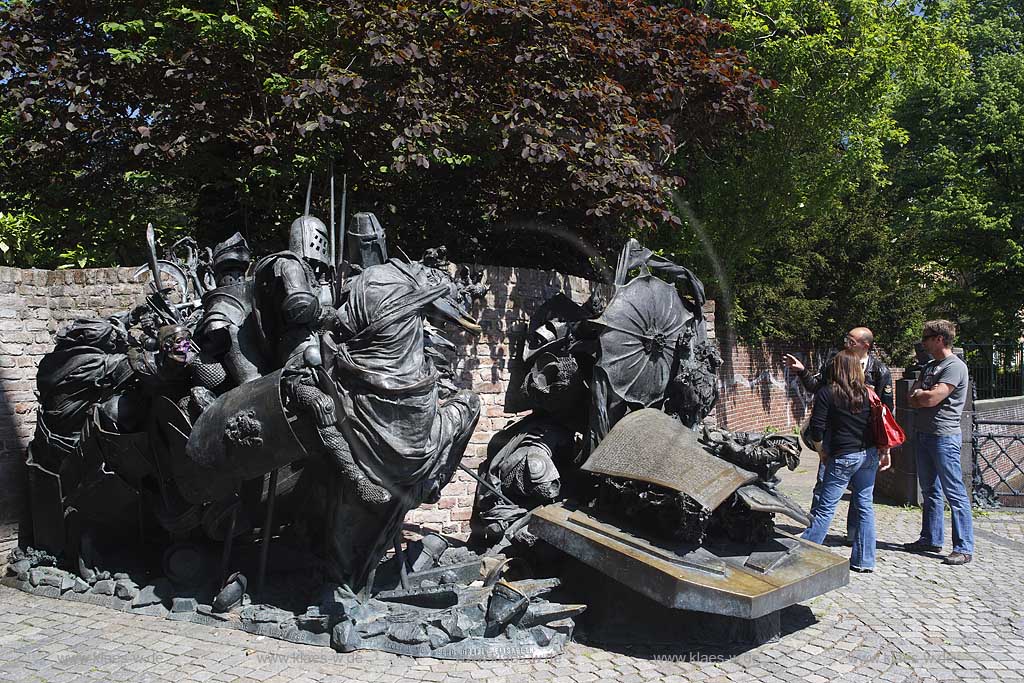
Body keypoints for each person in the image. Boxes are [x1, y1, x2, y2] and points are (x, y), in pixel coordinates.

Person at [783, 327, 894, 541]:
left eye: (851, 341)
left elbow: (886, 413)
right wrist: (803, 371)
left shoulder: (879, 371)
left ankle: (851, 537)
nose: (846, 343)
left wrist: (885, 447)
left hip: (864, 445)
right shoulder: (836, 363)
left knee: (860, 500)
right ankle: (815, 532)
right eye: (846, 339)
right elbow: (817, 388)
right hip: (836, 442)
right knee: (825, 489)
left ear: (865, 345)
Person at [800, 349, 891, 572]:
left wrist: (821, 452)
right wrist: (885, 451)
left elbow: (817, 429)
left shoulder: (827, 393)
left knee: (825, 508)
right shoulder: (869, 394)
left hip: (843, 456)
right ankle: (864, 560)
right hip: (868, 455)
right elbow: (879, 425)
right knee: (865, 506)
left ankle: (804, 556)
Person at [903, 320, 974, 565]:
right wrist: (921, 395)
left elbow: (931, 398)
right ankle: (931, 539)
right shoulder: (931, 365)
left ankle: (964, 547)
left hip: (944, 436)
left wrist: (923, 394)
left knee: (954, 493)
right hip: (924, 434)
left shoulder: (955, 367)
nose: (923, 342)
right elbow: (911, 396)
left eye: (926, 337)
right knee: (930, 491)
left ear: (939, 339)